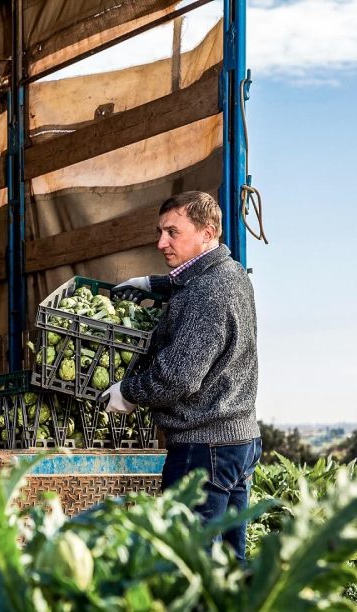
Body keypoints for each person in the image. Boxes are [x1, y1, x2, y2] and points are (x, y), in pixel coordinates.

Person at [101, 190, 260, 562]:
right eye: (160, 232)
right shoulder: (230, 272)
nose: (161, 242)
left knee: (190, 565)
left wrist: (129, 392)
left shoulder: (208, 292)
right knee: (230, 564)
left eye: (173, 232)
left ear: (207, 232)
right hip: (238, 440)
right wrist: (152, 284)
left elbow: (177, 378)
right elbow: (190, 284)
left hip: (203, 448)